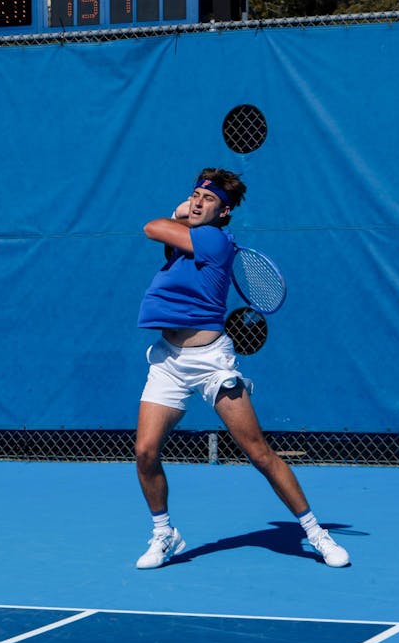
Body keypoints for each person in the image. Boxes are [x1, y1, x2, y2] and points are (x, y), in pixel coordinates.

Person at [133, 167, 350, 570]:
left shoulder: (213, 241)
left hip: (211, 361)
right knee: (145, 452)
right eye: (195, 193)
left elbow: (151, 227)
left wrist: (182, 211)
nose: (198, 200)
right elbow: (165, 231)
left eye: (208, 198)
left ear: (225, 212)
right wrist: (189, 209)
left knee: (259, 453)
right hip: (169, 359)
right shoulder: (189, 242)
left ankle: (316, 533)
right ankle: (164, 533)